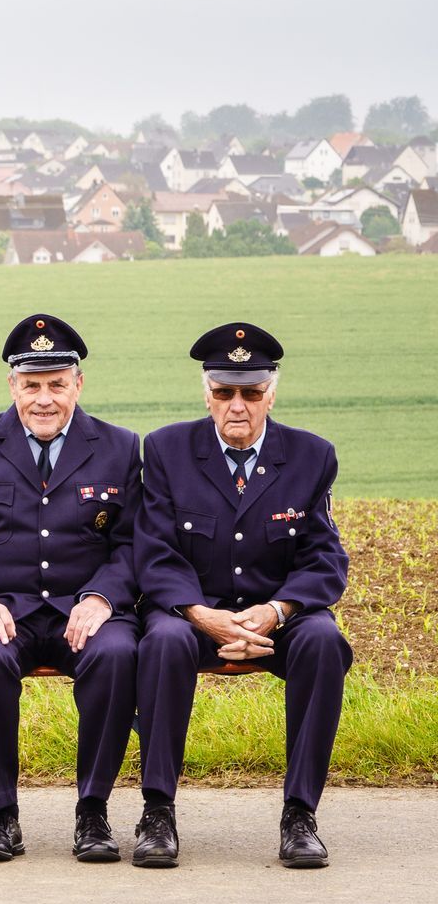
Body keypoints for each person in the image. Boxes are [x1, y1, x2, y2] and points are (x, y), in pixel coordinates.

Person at [0, 314, 141, 863]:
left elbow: (135, 544)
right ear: (12, 385)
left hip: (83, 609)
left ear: (78, 384)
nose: (44, 399)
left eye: (57, 384)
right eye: (32, 385)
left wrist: (102, 597)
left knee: (117, 655)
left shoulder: (117, 446)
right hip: (2, 609)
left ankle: (93, 812)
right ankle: (1, 815)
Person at [133, 323, 351, 869]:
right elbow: (154, 551)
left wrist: (276, 612)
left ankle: (300, 816)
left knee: (323, 639)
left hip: (274, 619)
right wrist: (203, 615)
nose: (237, 406)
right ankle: (157, 812)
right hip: (193, 614)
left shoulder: (311, 456)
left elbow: (325, 559)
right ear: (206, 393)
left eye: (251, 394)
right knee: (160, 640)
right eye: (224, 392)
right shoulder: (165, 450)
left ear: (271, 394)